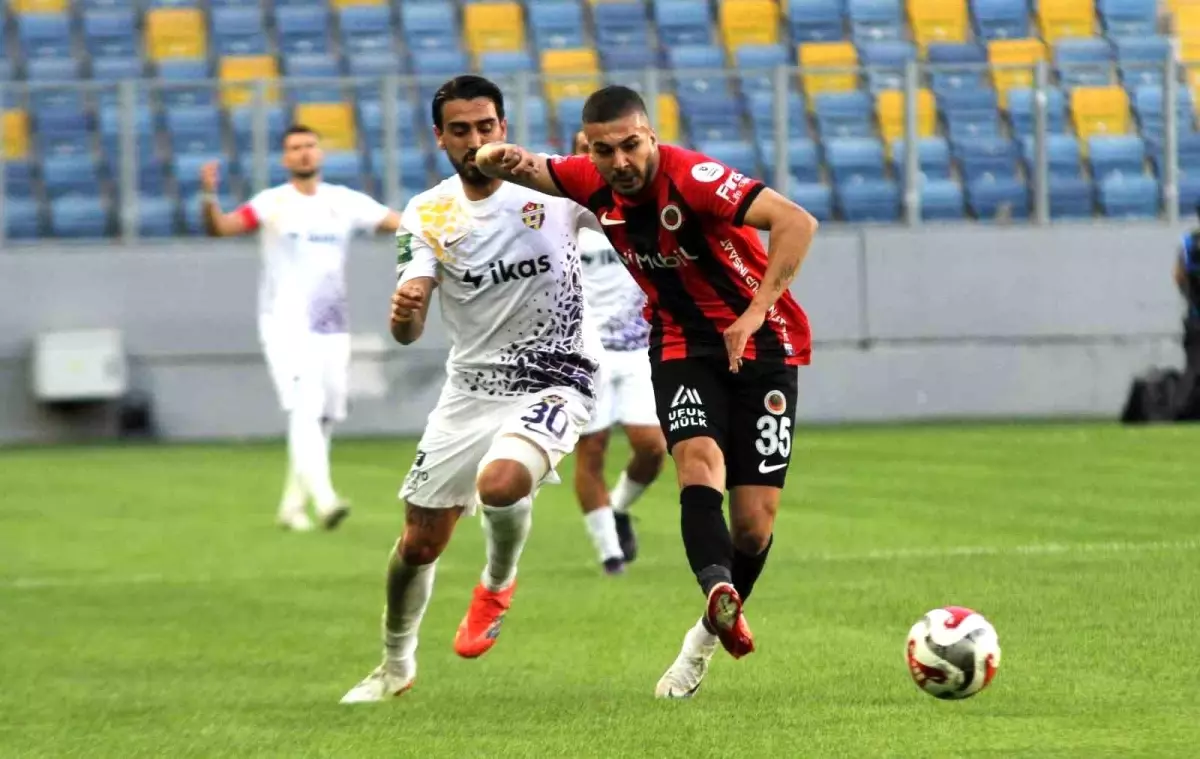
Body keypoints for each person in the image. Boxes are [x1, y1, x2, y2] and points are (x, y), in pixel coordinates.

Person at [475, 85, 819, 699]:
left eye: (631, 146)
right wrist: (498, 157)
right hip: (682, 345)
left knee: (754, 527)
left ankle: (701, 642)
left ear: (650, 137)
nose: (620, 162)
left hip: (764, 341)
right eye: (604, 151)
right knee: (697, 463)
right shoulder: (589, 180)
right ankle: (716, 589)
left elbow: (797, 222)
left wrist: (755, 312)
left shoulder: (696, 179)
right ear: (592, 150)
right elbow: (531, 166)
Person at [339, 75, 601, 704]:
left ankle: (496, 584)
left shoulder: (553, 186)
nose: (476, 140)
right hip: (472, 390)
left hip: (558, 376)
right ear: (440, 138)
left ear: (503, 128)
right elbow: (408, 328)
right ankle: (396, 664)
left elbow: (629, 206)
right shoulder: (428, 212)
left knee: (502, 481)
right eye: (461, 130)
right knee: (418, 542)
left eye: (486, 127)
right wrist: (404, 311)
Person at [200, 125, 401, 532]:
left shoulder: (343, 202)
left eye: (310, 145)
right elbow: (222, 227)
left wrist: (445, 217)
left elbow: (397, 221)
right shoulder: (272, 203)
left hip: (331, 323)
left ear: (320, 153)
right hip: (285, 321)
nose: (304, 153)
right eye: (295, 148)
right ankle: (325, 500)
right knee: (304, 406)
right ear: (285, 159)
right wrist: (208, 197)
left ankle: (292, 506)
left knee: (323, 415)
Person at [569, 129, 666, 576]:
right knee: (593, 452)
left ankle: (621, 508)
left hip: (638, 348)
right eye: (589, 149)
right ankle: (610, 554)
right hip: (586, 353)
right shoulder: (562, 217)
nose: (599, 158)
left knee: (653, 448)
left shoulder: (638, 208)